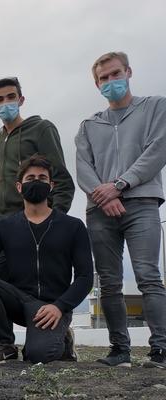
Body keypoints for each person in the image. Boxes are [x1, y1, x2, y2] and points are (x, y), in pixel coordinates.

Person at [75, 51, 166, 368]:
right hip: (100, 210)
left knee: (148, 276)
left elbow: (158, 150)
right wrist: (106, 195)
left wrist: (121, 184)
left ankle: (160, 350)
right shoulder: (88, 125)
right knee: (109, 282)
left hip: (142, 203)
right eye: (104, 78)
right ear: (96, 83)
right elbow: (83, 168)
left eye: (115, 74)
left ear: (128, 71)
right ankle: (120, 350)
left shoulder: (155, 107)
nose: (110, 81)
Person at [0, 155, 93, 365]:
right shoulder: (5, 226)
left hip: (52, 307)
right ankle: (5, 344)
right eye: (30, 178)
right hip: (19, 300)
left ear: (51, 186)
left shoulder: (73, 226)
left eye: (42, 178)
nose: (36, 182)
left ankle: (63, 338)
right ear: (19, 186)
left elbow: (85, 277)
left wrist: (60, 306)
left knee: (37, 356)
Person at [0, 77, 74, 218]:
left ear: (21, 100)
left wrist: (56, 217)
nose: (5, 103)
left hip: (36, 216)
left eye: (11, 97)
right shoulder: (0, 138)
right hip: (5, 219)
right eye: (0, 99)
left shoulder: (41, 128)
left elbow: (61, 178)